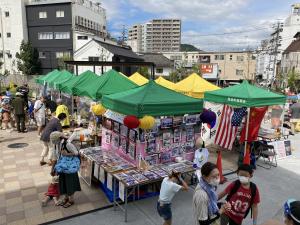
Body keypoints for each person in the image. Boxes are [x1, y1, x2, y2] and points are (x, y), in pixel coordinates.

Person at [54, 136, 81, 208]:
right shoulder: (59, 144)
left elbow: (77, 153)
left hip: (70, 167)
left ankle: (71, 200)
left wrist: (67, 154)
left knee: (70, 183)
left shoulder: (68, 144)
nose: (53, 142)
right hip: (63, 166)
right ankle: (66, 198)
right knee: (63, 182)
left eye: (54, 140)